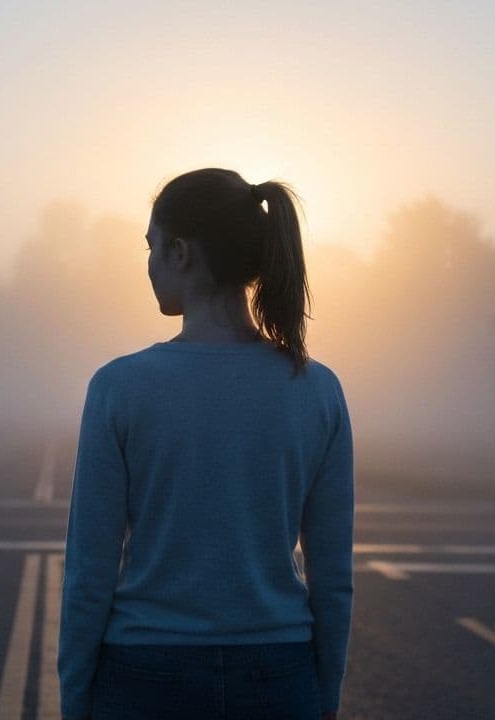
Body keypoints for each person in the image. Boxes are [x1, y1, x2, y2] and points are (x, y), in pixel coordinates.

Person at [57, 168, 354, 720]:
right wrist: (323, 697)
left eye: (150, 247)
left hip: (145, 672)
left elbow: (89, 573)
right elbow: (332, 577)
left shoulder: (119, 387)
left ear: (180, 253)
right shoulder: (317, 390)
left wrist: (76, 699)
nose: (146, 264)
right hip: (278, 674)